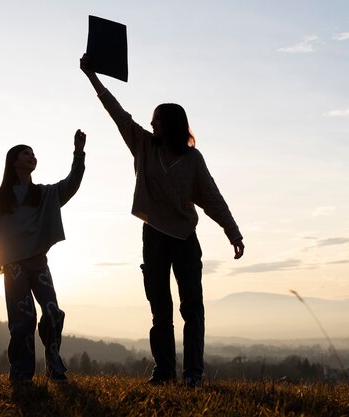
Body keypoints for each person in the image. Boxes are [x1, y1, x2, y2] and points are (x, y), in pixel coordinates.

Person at [80, 54, 244, 387]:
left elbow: (212, 198)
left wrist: (232, 232)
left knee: (192, 309)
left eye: (155, 120)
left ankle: (193, 374)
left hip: (185, 239)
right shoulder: (142, 145)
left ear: (169, 124)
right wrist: (92, 77)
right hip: (153, 237)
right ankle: (164, 372)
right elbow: (116, 112)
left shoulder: (192, 160)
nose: (150, 124)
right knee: (160, 309)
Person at [0, 129, 87, 388]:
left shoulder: (43, 194)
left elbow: (71, 184)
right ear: (14, 161)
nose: (32, 156)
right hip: (14, 268)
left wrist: (78, 153)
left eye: (33, 154)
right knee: (23, 321)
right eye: (26, 153)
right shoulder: (0, 198)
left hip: (38, 264)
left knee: (53, 313)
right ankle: (21, 375)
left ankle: (54, 366)